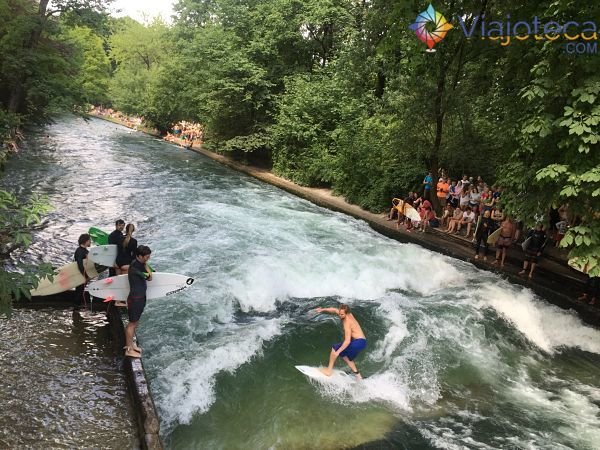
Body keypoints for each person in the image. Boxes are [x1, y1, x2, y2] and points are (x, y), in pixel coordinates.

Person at [315, 304, 367, 379]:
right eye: (339, 313)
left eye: (342, 314)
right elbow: (333, 309)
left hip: (357, 342)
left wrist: (337, 352)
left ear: (346, 313)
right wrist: (322, 309)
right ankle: (358, 376)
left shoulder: (347, 322)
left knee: (335, 348)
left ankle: (328, 371)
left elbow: (347, 341)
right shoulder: (348, 313)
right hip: (362, 342)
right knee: (345, 356)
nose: (340, 315)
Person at [125, 245, 152, 357]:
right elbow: (150, 277)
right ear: (139, 256)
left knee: (135, 322)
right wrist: (146, 266)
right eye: (146, 256)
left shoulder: (139, 264)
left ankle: (131, 345)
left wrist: (145, 264)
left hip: (140, 297)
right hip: (136, 299)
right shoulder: (135, 268)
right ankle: (128, 349)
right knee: (132, 324)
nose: (148, 258)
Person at [74, 233, 91, 307]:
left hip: (83, 275)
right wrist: (86, 276)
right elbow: (80, 265)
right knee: (79, 291)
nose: (90, 242)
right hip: (79, 275)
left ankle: (78, 307)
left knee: (81, 291)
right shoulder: (80, 251)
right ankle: (76, 308)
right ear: (86, 241)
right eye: (89, 240)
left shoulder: (85, 251)